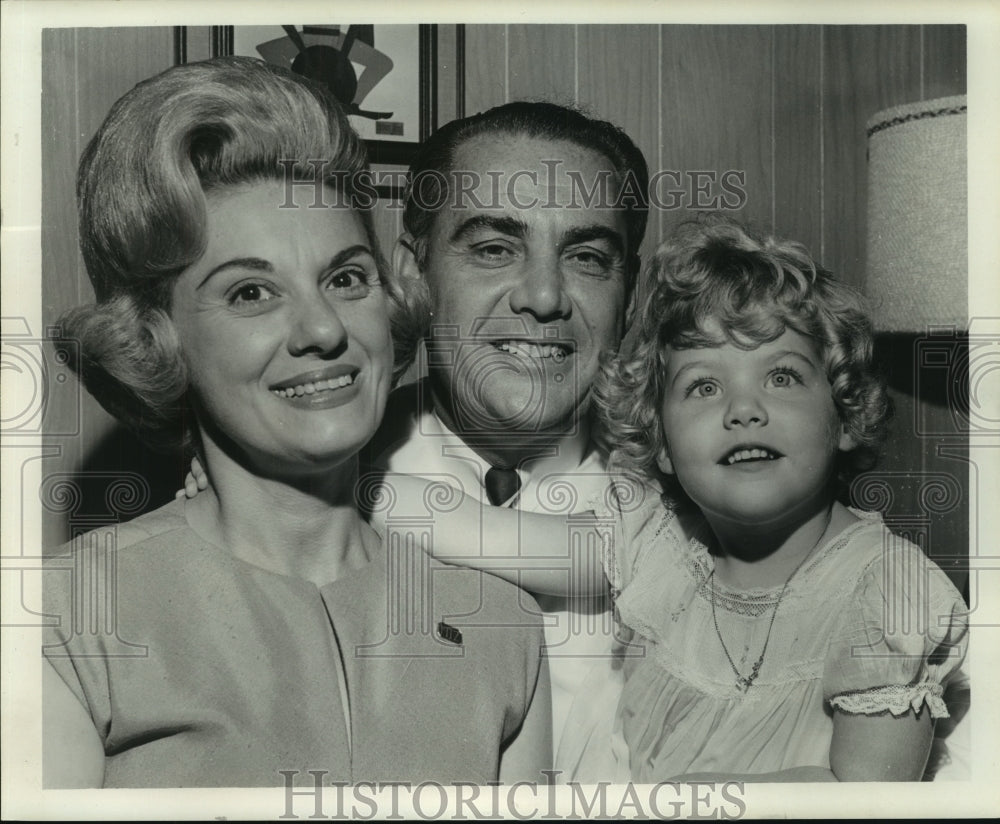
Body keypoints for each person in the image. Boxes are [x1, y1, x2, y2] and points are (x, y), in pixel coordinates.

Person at [42, 56, 550, 788]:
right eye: (251, 292)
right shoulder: (63, 616)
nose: (321, 330)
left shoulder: (503, 625)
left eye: (346, 278)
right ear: (159, 336)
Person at [373, 216, 970, 781]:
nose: (743, 409)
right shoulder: (656, 543)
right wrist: (327, 487)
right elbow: (476, 531)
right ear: (660, 444)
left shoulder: (885, 593)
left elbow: (869, 798)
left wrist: (692, 801)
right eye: (703, 386)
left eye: (782, 377)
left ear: (843, 415)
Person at [365, 100, 662, 777]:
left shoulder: (703, 495)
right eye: (495, 248)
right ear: (414, 273)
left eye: (586, 257)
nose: (545, 296)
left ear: (630, 292)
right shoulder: (298, 473)